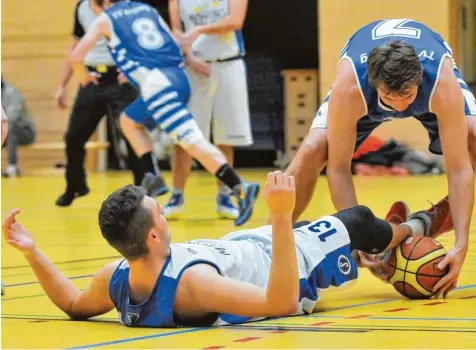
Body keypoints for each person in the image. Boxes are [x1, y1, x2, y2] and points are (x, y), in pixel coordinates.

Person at [2, 170, 454, 327]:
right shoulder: (195, 286)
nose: (163, 215)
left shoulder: (117, 275)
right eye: (160, 212)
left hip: (244, 247)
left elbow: (75, 305)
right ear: (154, 236)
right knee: (357, 220)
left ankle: (373, 257)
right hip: (287, 266)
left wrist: (31, 250)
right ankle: (411, 228)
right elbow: (281, 303)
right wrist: (278, 218)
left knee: (318, 224)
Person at [284, 18, 475, 298]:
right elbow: (338, 170)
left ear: (419, 79)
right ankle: (271, 240)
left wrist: (462, 244)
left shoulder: (441, 83)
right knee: (312, 151)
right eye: (390, 97)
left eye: (407, 95)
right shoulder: (350, 87)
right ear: (375, 84)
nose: (399, 106)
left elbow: (459, 170)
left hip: (431, 77)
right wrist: (357, 238)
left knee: (472, 140)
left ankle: (436, 218)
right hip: (361, 84)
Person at [69, 0, 259, 226]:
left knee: (192, 141)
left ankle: (239, 186)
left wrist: (83, 76)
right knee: (129, 121)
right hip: (177, 76)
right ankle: (152, 175)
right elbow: (171, 40)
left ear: (99, 4)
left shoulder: (105, 19)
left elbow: (76, 56)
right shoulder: (146, 8)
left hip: (157, 85)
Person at [163, 0, 253, 220]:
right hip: (193, 66)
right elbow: (177, 31)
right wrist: (190, 58)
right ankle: (176, 195)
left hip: (228, 64)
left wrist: (198, 29)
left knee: (226, 136)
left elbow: (235, 21)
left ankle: (225, 196)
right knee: (184, 136)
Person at [54, 0, 144, 207]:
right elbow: (75, 46)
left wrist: (134, 68)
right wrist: (62, 85)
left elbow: (142, 40)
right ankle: (75, 186)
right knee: (74, 137)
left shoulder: (127, 6)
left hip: (121, 80)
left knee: (133, 138)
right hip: (93, 79)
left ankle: (142, 192)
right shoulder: (82, 7)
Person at [1, 77, 36, 177]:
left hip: (25, 131)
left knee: (10, 127)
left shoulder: (11, 93)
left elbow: (11, 118)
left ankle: (12, 166)